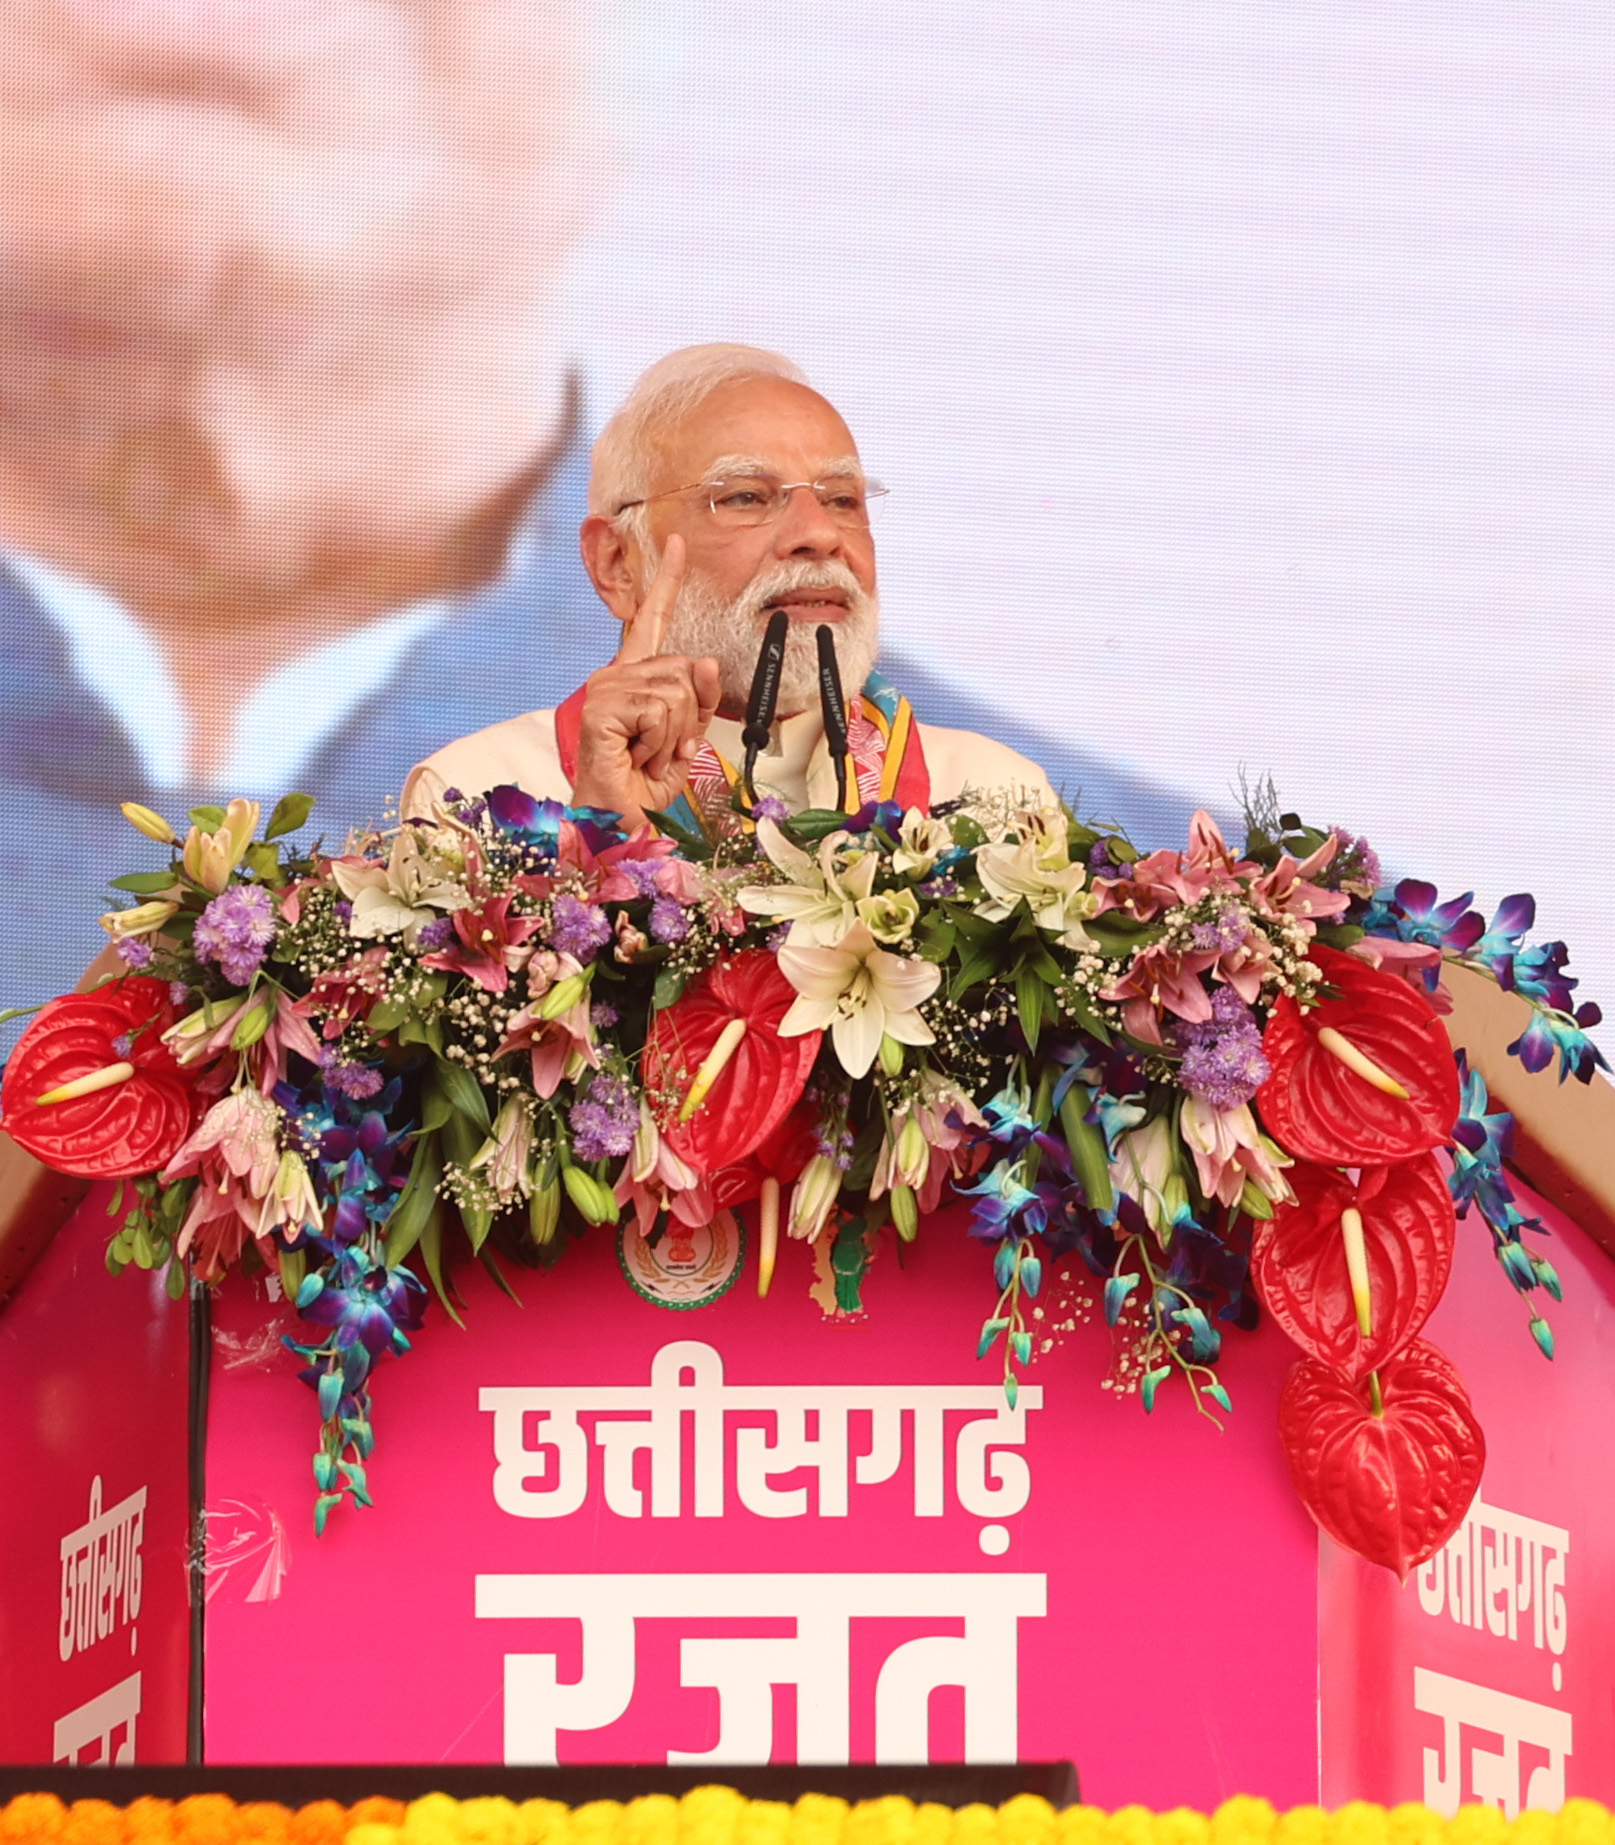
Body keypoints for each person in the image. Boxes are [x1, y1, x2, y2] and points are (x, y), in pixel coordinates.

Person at [406, 346, 1060, 824]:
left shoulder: (996, 798)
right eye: (746, 496)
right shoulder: (480, 795)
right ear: (617, 563)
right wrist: (601, 832)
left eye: (841, 499)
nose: (819, 534)